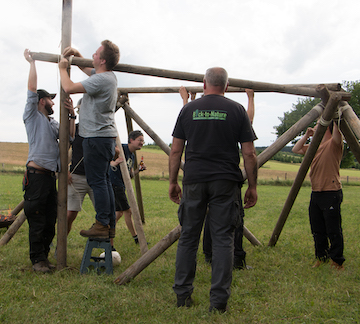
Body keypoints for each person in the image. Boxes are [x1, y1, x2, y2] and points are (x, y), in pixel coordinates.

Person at [169, 67, 258, 313]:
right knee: (222, 240)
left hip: (194, 181)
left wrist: (172, 181)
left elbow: (176, 150)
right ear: (227, 87)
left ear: (204, 84)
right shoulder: (237, 110)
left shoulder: (187, 109)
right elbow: (249, 152)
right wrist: (252, 185)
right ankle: (218, 304)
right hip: (225, 183)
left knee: (188, 238)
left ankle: (182, 297)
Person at [179, 87, 255, 270]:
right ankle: (235, 260)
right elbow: (249, 127)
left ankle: (208, 255)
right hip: (225, 178)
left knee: (197, 226)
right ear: (225, 87)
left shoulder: (193, 111)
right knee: (228, 225)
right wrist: (251, 98)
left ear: (205, 85)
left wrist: (186, 100)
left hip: (197, 177)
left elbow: (187, 124)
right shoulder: (233, 111)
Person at [58, 40, 120, 239]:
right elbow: (87, 69)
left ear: (102, 60)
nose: (92, 55)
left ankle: (102, 223)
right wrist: (76, 54)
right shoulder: (107, 77)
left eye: (95, 53)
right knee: (103, 181)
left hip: (95, 138)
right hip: (104, 138)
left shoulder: (101, 80)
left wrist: (62, 68)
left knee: (97, 182)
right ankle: (108, 223)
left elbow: (68, 87)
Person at [23, 49, 75, 273]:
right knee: (37, 220)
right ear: (41, 101)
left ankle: (43, 258)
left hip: (49, 178)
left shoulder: (52, 123)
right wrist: (32, 62)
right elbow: (31, 89)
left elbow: (70, 137)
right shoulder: (32, 116)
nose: (54, 103)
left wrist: (72, 114)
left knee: (50, 219)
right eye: (51, 100)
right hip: (36, 177)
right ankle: (38, 261)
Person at [292, 118, 345, 270]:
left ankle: (337, 261)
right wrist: (307, 135)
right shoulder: (314, 147)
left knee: (333, 230)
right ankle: (321, 257)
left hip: (331, 192)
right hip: (316, 192)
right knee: (317, 229)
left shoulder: (334, 144)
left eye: (318, 126)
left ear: (326, 129)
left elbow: (337, 130)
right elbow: (296, 149)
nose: (315, 128)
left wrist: (334, 117)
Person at [109, 130, 147, 250]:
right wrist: (114, 163)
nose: (142, 142)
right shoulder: (121, 148)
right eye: (139, 140)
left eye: (142, 140)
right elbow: (107, 158)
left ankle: (106, 229)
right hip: (115, 184)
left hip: (121, 185)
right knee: (128, 211)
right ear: (131, 140)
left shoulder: (131, 155)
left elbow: (129, 175)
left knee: (119, 213)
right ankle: (136, 238)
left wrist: (138, 171)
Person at [67, 99, 95, 235]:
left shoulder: (99, 129)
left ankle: (110, 249)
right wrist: (65, 171)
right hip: (76, 177)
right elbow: (63, 151)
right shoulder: (75, 129)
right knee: (69, 215)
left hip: (96, 178)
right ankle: (61, 246)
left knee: (105, 215)